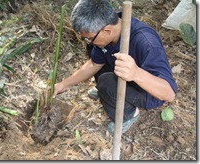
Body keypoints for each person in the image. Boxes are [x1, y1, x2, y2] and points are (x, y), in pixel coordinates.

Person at [53, 0, 178, 133]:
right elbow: (95, 63)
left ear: (107, 30)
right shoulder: (109, 31)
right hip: (123, 72)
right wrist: (63, 85)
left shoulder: (146, 42)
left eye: (89, 37)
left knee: (106, 82)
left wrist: (136, 73)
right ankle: (109, 92)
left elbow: (169, 93)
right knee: (94, 51)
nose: (87, 41)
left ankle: (129, 114)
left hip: (147, 91)